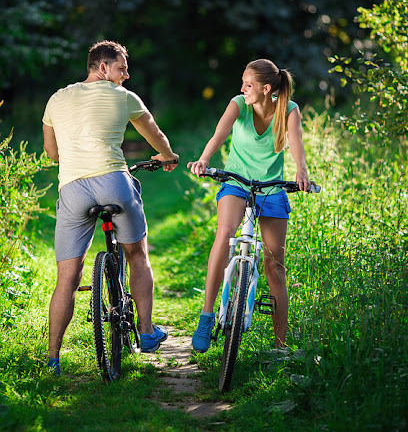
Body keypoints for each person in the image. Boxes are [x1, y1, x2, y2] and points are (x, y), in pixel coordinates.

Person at [42, 40, 179, 374]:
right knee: (137, 255)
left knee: (67, 279)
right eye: (121, 68)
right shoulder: (125, 98)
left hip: (72, 189)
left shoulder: (56, 99)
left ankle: (52, 359)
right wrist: (168, 156)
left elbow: (52, 153)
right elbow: (155, 134)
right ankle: (146, 333)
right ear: (102, 67)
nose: (126, 75)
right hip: (113, 182)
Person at [187, 58, 309, 352]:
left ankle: (280, 346)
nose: (242, 88)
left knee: (274, 265)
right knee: (225, 232)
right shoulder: (238, 105)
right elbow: (219, 134)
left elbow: (296, 144)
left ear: (267, 88)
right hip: (237, 182)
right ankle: (206, 315)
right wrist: (204, 159)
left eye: (248, 84)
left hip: (272, 188)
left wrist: (301, 170)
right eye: (243, 82)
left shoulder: (289, 110)